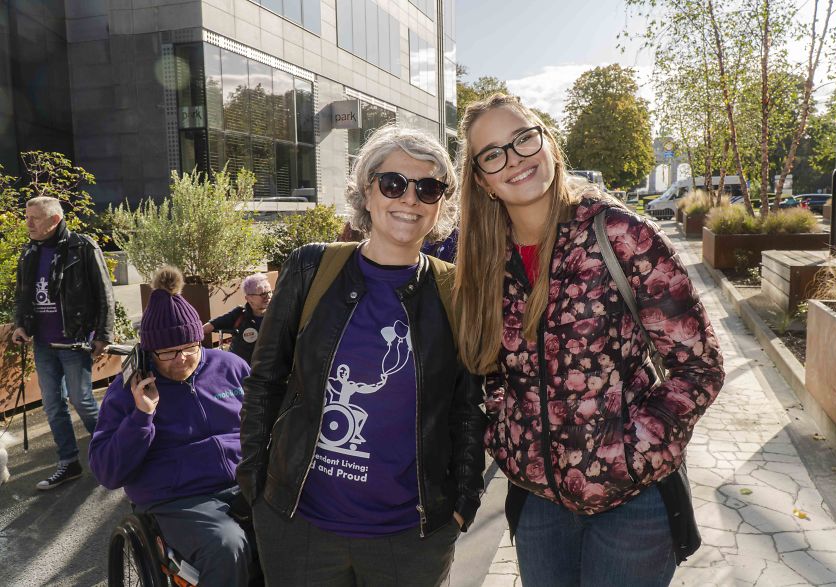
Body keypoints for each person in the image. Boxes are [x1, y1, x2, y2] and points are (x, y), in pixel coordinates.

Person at [453, 94, 726, 586]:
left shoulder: (619, 235)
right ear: (481, 180)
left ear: (548, 144)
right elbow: (489, 373)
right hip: (539, 506)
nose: (515, 159)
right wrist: (509, 441)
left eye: (523, 139)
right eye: (493, 154)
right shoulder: (485, 261)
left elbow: (699, 366)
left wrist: (630, 453)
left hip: (633, 506)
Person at [237, 125, 486, 586]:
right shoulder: (312, 268)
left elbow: (467, 408)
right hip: (299, 526)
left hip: (411, 540)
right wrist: (254, 482)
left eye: (427, 188)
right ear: (366, 192)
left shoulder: (457, 292)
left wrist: (463, 502)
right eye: (393, 183)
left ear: (440, 205)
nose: (409, 199)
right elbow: (265, 380)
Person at [89, 266, 252, 585]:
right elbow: (107, 472)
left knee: (297, 527)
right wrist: (141, 417)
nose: (182, 359)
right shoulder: (127, 390)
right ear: (150, 351)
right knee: (227, 546)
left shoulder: (231, 367)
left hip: (246, 481)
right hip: (177, 498)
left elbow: (267, 422)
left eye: (190, 348)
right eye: (168, 352)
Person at [11, 196, 115, 490]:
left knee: (81, 400)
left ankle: (110, 457)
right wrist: (21, 325)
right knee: (53, 405)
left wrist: (104, 335)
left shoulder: (82, 247)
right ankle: (69, 463)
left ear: (55, 220)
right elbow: (22, 294)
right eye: (26, 216)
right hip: (42, 342)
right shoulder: (29, 251)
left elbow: (104, 292)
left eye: (35, 217)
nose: (28, 223)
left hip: (74, 341)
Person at [203, 272, 273, 364]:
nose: (268, 296)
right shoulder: (239, 315)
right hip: (242, 372)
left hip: (270, 372)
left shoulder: (279, 315)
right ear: (248, 298)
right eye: (263, 294)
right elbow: (205, 328)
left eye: (270, 292)